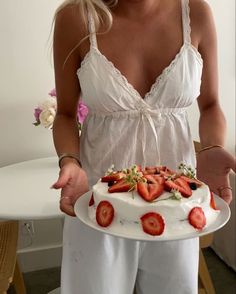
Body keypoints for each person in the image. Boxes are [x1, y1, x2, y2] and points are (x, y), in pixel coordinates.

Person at [51, 0, 236, 293]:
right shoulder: (75, 18)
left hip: (176, 205)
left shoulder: (196, 12)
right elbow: (64, 114)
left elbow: (211, 105)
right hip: (98, 202)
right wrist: (70, 160)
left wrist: (212, 147)